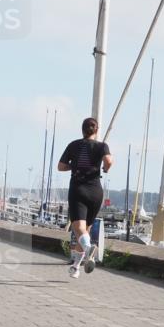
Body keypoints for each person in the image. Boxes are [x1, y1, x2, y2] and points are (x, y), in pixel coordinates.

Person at [58, 117, 113, 278]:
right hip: (96, 191)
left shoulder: (74, 145)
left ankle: (89, 249)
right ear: (96, 131)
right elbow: (109, 161)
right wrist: (105, 169)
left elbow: (60, 167)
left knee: (79, 229)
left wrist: (73, 165)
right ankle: (76, 267)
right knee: (85, 232)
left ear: (82, 130)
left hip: (78, 190)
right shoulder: (102, 146)